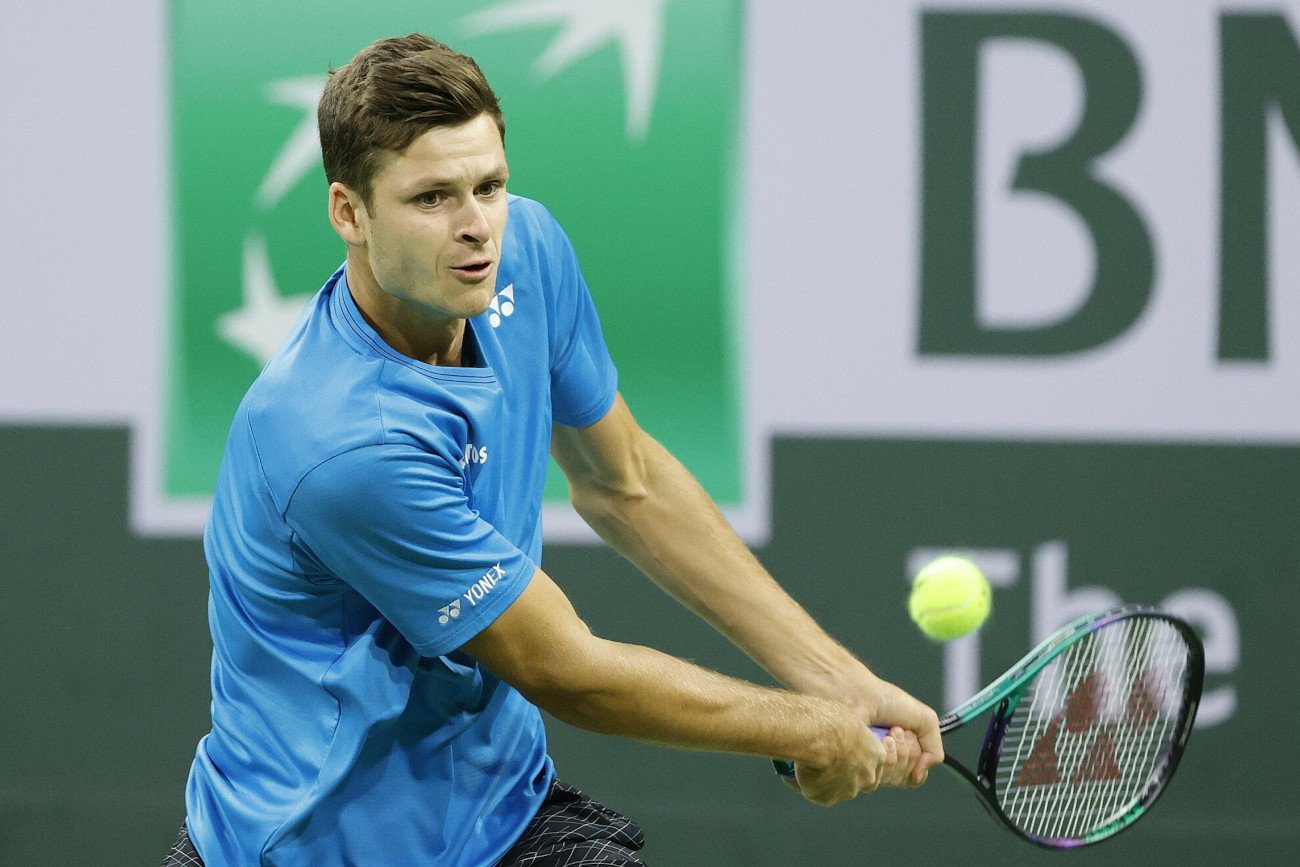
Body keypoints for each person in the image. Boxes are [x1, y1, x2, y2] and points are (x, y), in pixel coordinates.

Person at [167, 33, 942, 867]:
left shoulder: (524, 254)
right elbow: (566, 668)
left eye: (489, 185)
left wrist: (834, 682)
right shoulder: (342, 441)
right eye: (431, 199)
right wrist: (813, 729)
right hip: (312, 847)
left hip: (496, 817)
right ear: (348, 212)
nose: (476, 228)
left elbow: (627, 483)